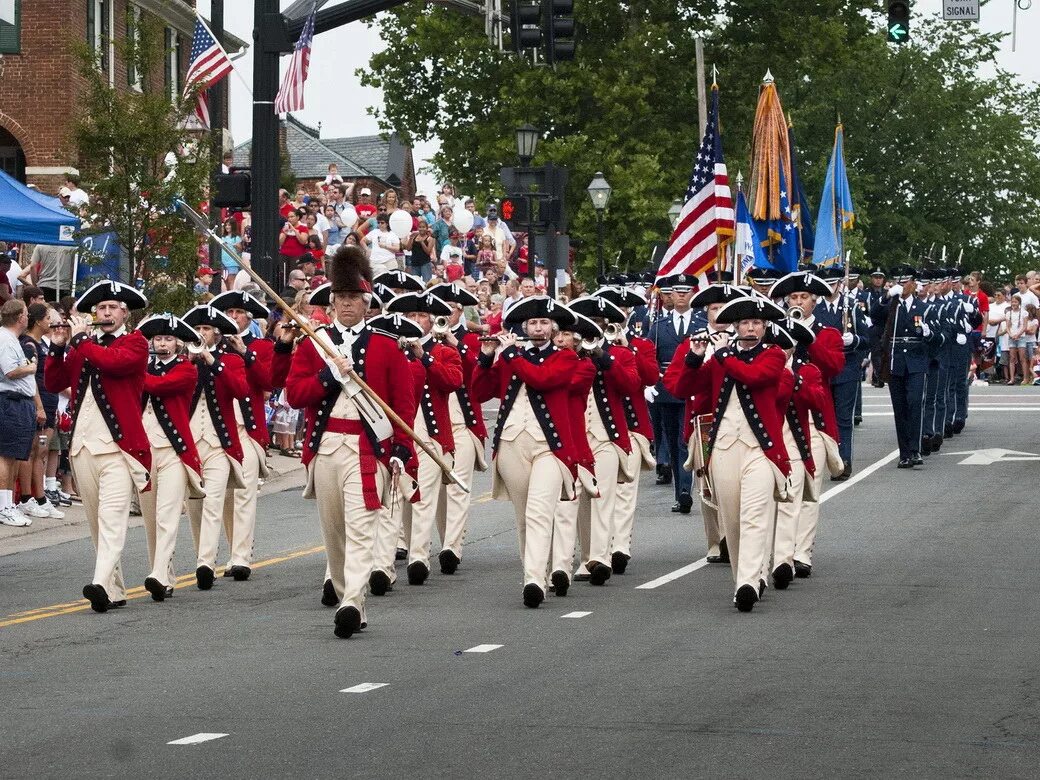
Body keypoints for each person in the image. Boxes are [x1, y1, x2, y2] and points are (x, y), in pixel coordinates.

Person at [285, 245, 417, 639]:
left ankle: (352, 601)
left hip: (367, 448)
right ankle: (348, 596)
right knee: (334, 532)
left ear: (366, 302)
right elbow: (294, 394)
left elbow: (403, 406)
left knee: (362, 529)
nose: (345, 305)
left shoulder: (386, 346)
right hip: (325, 449)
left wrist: (400, 450)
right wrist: (329, 377)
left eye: (353, 298)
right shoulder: (315, 344)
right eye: (340, 298)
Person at [667, 295, 790, 612]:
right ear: (735, 326)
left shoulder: (773, 355)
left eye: (757, 323)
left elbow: (754, 377)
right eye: (746, 323)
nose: (751, 328)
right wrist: (695, 358)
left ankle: (747, 583)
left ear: (764, 327)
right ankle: (748, 575)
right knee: (732, 519)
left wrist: (721, 352)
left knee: (753, 515)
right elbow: (684, 390)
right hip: (723, 447)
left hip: (761, 449)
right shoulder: (721, 359)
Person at [45, 281, 151, 612]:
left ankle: (99, 582)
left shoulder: (136, 343)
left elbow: (113, 363)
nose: (105, 312)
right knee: (95, 520)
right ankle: (114, 589)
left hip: (120, 449)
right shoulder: (84, 345)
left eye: (112, 308)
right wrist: (59, 347)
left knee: (112, 517)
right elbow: (53, 382)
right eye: (101, 308)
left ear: (124, 313)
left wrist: (79, 342)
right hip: (82, 445)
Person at [472, 296, 579, 608]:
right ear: (523, 326)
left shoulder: (564, 358)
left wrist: (513, 355)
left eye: (544, 323)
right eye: (533, 323)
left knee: (539, 511)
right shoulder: (509, 356)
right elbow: (479, 392)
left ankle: (532, 581)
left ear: (554, 328)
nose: (538, 328)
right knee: (523, 516)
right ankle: (537, 572)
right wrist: (486, 357)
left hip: (549, 446)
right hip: (510, 442)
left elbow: (542, 379)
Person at [384, 292, 463, 586]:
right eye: (410, 317)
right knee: (398, 496)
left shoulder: (442, 351)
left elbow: (453, 381)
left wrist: (424, 357)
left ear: (431, 322)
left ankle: (418, 556)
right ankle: (388, 558)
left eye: (420, 317)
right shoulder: (390, 349)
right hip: (397, 434)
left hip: (430, 436)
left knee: (424, 496)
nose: (415, 322)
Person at [567, 295, 641, 585]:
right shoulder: (567, 353)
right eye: (586, 326)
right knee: (578, 498)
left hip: (607, 434)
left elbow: (631, 385)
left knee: (603, 494)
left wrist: (603, 357)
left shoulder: (620, 355)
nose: (590, 331)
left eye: (596, 325)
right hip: (575, 432)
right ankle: (586, 556)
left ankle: (600, 556)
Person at [210, 291, 277, 581]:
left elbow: (268, 382)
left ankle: (240, 557)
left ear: (248, 318)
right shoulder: (211, 346)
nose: (233, 317)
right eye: (229, 312)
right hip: (217, 428)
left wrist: (245, 354)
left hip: (248, 429)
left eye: (238, 312)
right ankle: (237, 547)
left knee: (244, 491)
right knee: (224, 495)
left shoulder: (260, 345)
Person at [136, 314, 204, 602]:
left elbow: (158, 387)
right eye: (158, 338)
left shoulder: (187, 369)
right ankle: (164, 574)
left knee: (167, 516)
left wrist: (133, 372)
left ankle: (159, 574)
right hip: (145, 450)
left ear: (178, 342)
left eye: (168, 339)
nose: (162, 343)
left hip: (175, 451)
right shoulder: (145, 367)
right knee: (150, 518)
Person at [182, 305, 248, 591]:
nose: (201, 333)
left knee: (214, 501)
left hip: (220, 444)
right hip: (189, 442)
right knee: (194, 504)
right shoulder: (183, 361)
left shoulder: (230, 361)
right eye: (198, 329)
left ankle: (205, 563)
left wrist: (212, 361)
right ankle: (202, 554)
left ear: (217, 334)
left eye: (206, 329)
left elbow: (241, 390)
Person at [428, 283, 487, 576]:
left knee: (459, 486)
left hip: (462, 423)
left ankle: (452, 547)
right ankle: (445, 540)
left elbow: (478, 373)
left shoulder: (471, 340)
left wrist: (455, 344)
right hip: (431, 425)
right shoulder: (420, 339)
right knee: (437, 489)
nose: (446, 313)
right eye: (441, 308)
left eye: (451, 309)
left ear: (460, 312)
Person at [875, 265, 937, 468]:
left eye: (905, 282)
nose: (902, 285)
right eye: (899, 282)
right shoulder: (892, 305)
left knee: (914, 402)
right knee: (899, 408)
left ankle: (915, 449)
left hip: (917, 360)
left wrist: (928, 333)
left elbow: (936, 336)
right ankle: (904, 453)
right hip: (896, 362)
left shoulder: (923, 307)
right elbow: (875, 315)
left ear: (913, 283)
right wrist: (886, 296)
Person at [647, 274, 698, 514]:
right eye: (676, 291)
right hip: (666, 390)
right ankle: (680, 492)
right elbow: (650, 357)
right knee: (673, 440)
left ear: (692, 293)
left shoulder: (699, 325)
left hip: (692, 390)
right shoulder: (658, 327)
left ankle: (687, 490)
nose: (680, 295)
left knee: (685, 441)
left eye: (685, 291)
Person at [811, 268, 869, 480]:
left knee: (844, 418)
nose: (829, 289)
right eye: (825, 285)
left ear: (839, 284)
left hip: (846, 368)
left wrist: (854, 340)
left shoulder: (851, 307)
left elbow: (867, 338)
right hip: (822, 371)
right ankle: (826, 459)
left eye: (832, 284)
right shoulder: (815, 309)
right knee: (824, 419)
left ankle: (843, 462)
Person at [16, 303, 63, 520]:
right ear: (36, 321)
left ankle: (41, 497)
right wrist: (39, 406)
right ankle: (26, 498)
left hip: (51, 405)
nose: (50, 323)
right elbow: (30, 379)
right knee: (32, 451)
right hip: (39, 407)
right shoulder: (29, 344)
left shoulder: (42, 345)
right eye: (47, 319)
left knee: (42, 453)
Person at [0, 300, 41, 527]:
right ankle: (2, 506)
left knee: (14, 455)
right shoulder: (5, 339)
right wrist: (31, 367)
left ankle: (8, 503)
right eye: (26, 313)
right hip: (9, 402)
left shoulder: (11, 339)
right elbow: (10, 370)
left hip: (19, 402)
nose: (28, 318)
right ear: (20, 318)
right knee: (5, 454)